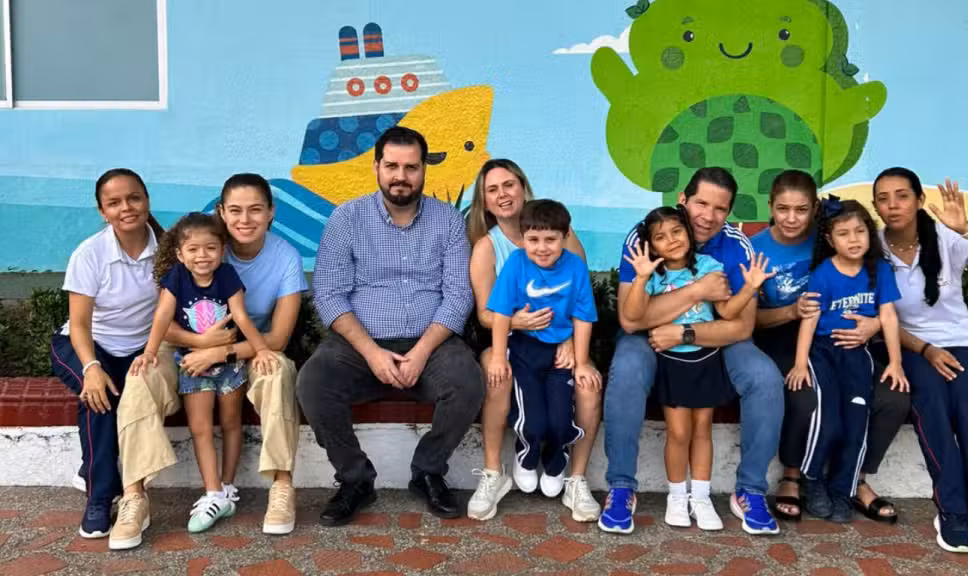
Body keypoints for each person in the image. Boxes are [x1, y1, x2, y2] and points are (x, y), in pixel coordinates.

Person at [297, 126, 483, 525]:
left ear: (424, 170)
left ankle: (428, 471)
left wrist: (421, 352)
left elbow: (457, 296)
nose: (401, 176)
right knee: (313, 383)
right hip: (358, 346)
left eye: (411, 167)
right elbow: (329, 294)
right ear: (376, 167)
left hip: (431, 343)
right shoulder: (347, 218)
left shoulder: (449, 221)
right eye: (392, 166)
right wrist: (371, 352)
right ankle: (355, 480)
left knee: (468, 381)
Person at [112, 173, 306, 549]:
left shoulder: (286, 258)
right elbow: (165, 324)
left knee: (277, 372)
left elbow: (278, 338)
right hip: (185, 347)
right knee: (140, 379)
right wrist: (200, 343)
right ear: (221, 211)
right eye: (235, 210)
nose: (245, 219)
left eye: (255, 210)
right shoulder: (200, 245)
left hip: (249, 347)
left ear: (271, 213)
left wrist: (219, 352)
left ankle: (282, 486)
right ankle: (134, 495)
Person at [600, 167, 785, 536]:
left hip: (713, 339)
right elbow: (631, 320)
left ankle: (749, 490)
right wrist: (698, 292)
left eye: (720, 209)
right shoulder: (647, 233)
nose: (708, 216)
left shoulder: (734, 245)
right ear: (683, 200)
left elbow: (740, 326)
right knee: (628, 369)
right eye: (701, 203)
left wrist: (683, 332)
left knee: (764, 378)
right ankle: (621, 487)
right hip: (650, 338)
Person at [874, 167, 968, 559]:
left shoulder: (945, 237)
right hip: (910, 348)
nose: (893, 205)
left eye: (902, 196)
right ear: (875, 206)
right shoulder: (872, 249)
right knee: (933, 404)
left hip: (966, 345)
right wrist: (926, 349)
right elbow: (882, 319)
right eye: (883, 199)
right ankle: (953, 511)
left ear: (919, 200)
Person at [751, 170, 909, 523]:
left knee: (892, 398)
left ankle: (854, 479)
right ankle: (794, 475)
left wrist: (873, 326)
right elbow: (748, 319)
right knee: (804, 394)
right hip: (783, 334)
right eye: (783, 209)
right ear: (770, 207)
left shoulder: (837, 237)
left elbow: (880, 304)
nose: (792, 218)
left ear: (815, 210)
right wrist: (790, 312)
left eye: (801, 209)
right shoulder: (756, 248)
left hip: (847, 339)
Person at [465, 159, 602, 522]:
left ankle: (575, 479)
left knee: (588, 386)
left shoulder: (560, 232)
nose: (502, 194)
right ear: (484, 200)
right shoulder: (489, 248)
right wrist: (519, 323)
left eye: (509, 185)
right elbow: (486, 314)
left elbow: (580, 297)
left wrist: (570, 343)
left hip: (562, 339)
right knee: (498, 375)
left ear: (523, 187)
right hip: (511, 340)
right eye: (492, 189)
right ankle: (493, 473)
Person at [130, 212, 277, 533]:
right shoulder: (176, 278)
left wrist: (262, 348)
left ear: (222, 250)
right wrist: (150, 352)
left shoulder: (227, 276)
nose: (202, 256)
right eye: (193, 249)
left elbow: (241, 316)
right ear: (180, 254)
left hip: (229, 365)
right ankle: (212, 492)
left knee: (231, 423)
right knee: (201, 428)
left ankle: (227, 487)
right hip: (194, 365)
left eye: (210, 248)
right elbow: (162, 316)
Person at [50, 168, 162, 539]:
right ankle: (100, 497)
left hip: (136, 349)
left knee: (129, 394)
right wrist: (92, 367)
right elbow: (79, 325)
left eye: (134, 198)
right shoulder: (90, 253)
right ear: (102, 211)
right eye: (114, 203)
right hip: (83, 344)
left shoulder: (167, 251)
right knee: (98, 396)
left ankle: (93, 471)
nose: (125, 208)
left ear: (146, 201)